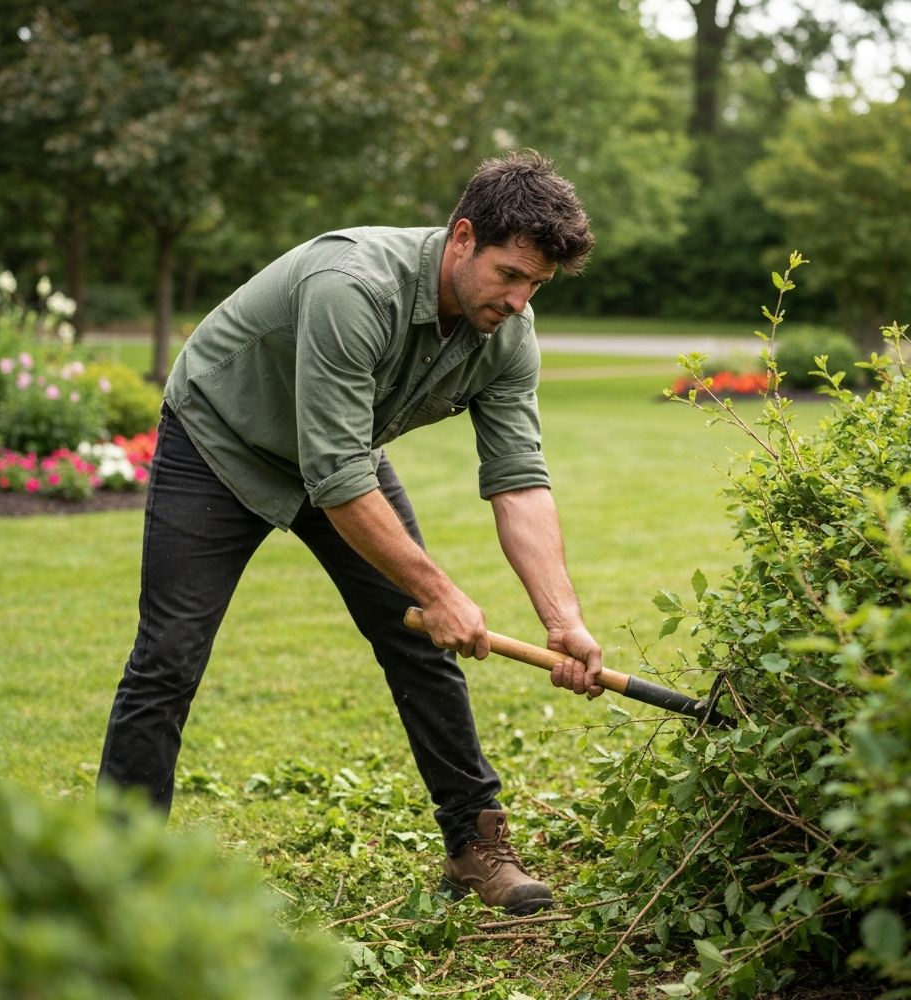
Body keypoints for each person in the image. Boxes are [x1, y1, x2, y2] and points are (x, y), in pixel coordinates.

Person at [97, 150, 604, 917]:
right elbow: (335, 479)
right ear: (462, 238)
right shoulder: (353, 286)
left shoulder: (508, 332)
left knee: (417, 645)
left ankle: (474, 846)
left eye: (537, 284)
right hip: (220, 438)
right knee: (168, 654)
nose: (520, 299)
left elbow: (518, 479)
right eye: (510, 274)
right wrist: (437, 588)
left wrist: (563, 621)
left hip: (339, 456)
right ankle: (111, 873)